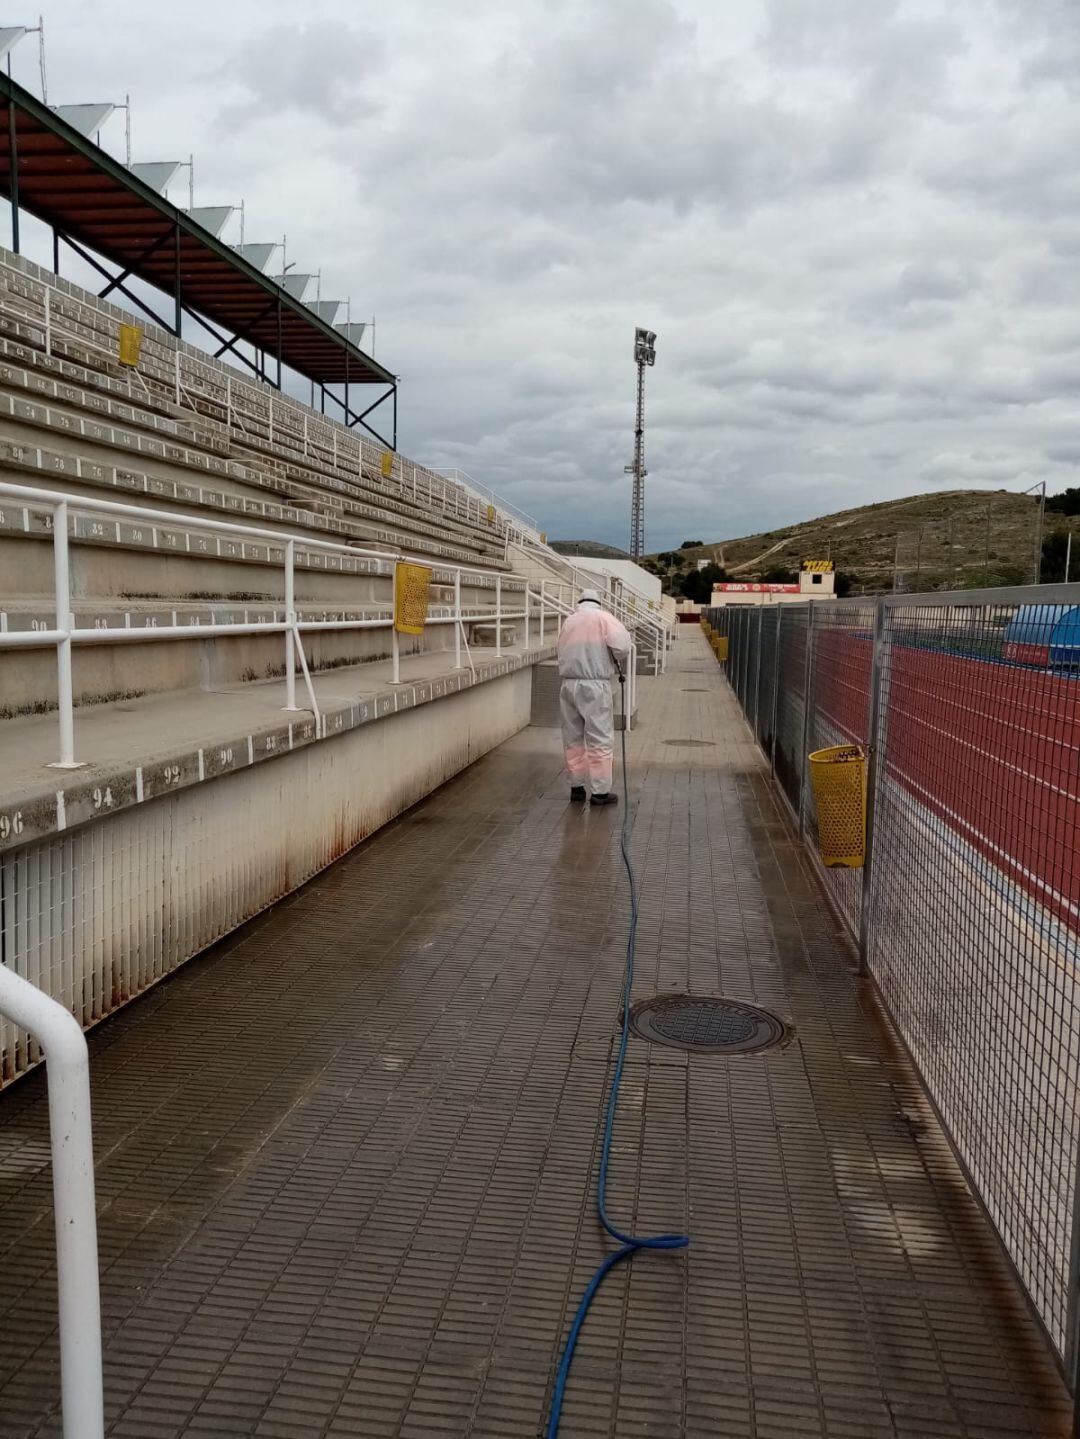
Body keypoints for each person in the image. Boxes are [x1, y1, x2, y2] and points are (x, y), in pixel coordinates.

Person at [557, 588, 633, 806]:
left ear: (580, 602)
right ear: (598, 603)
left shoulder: (569, 621)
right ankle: (600, 792)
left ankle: (576, 787)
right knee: (599, 737)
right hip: (594, 685)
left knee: (572, 738)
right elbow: (622, 646)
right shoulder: (604, 618)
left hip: (568, 685)